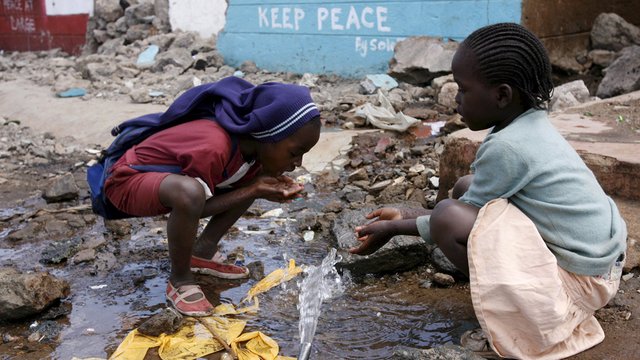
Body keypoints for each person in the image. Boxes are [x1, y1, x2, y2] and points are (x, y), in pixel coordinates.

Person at [351, 23, 627, 359]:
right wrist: (409, 215)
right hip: (603, 265)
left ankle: (525, 320)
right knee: (466, 187)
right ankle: (522, 303)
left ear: (502, 95)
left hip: (582, 282)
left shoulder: (508, 148)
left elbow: (448, 219)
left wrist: (395, 227)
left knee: (449, 218)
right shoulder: (530, 123)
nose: (456, 101)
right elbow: (473, 202)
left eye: (463, 91)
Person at [104, 77, 321, 316]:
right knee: (194, 192)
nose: (297, 163)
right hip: (126, 182)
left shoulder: (250, 148)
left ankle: (202, 252)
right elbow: (195, 206)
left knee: (258, 179)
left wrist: (262, 186)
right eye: (294, 152)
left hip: (169, 185)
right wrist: (254, 190)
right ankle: (180, 279)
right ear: (269, 134)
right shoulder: (214, 145)